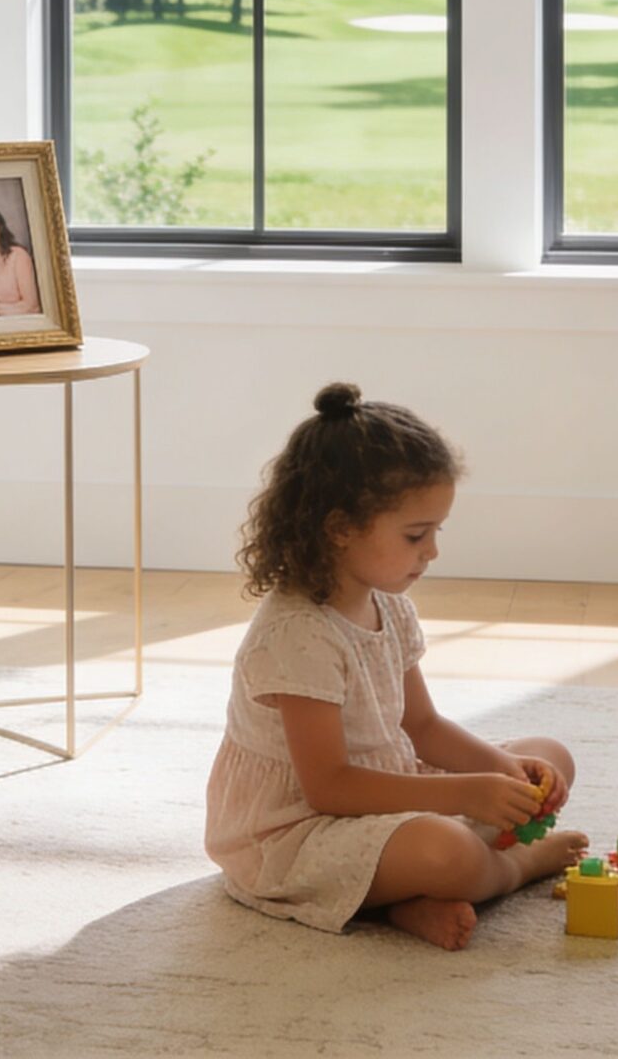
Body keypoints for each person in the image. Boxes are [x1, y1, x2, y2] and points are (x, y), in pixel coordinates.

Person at [204, 383, 587, 952]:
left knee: (548, 756)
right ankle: (511, 871)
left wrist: (502, 769)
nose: (431, 551)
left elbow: (424, 727)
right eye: (416, 535)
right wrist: (465, 796)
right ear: (339, 528)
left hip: (387, 794)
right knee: (448, 852)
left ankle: (402, 902)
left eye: (436, 531)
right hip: (298, 829)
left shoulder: (389, 604)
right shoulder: (297, 635)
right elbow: (329, 787)